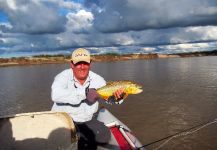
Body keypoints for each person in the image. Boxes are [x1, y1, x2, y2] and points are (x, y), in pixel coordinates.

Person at [51, 48, 126, 149]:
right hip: (64, 120)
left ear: (90, 63)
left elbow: (108, 99)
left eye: (85, 63)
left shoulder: (98, 80)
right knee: (63, 141)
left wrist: (117, 98)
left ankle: (80, 137)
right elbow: (55, 95)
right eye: (78, 63)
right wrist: (85, 93)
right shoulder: (62, 77)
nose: (82, 67)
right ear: (72, 64)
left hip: (85, 121)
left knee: (104, 136)